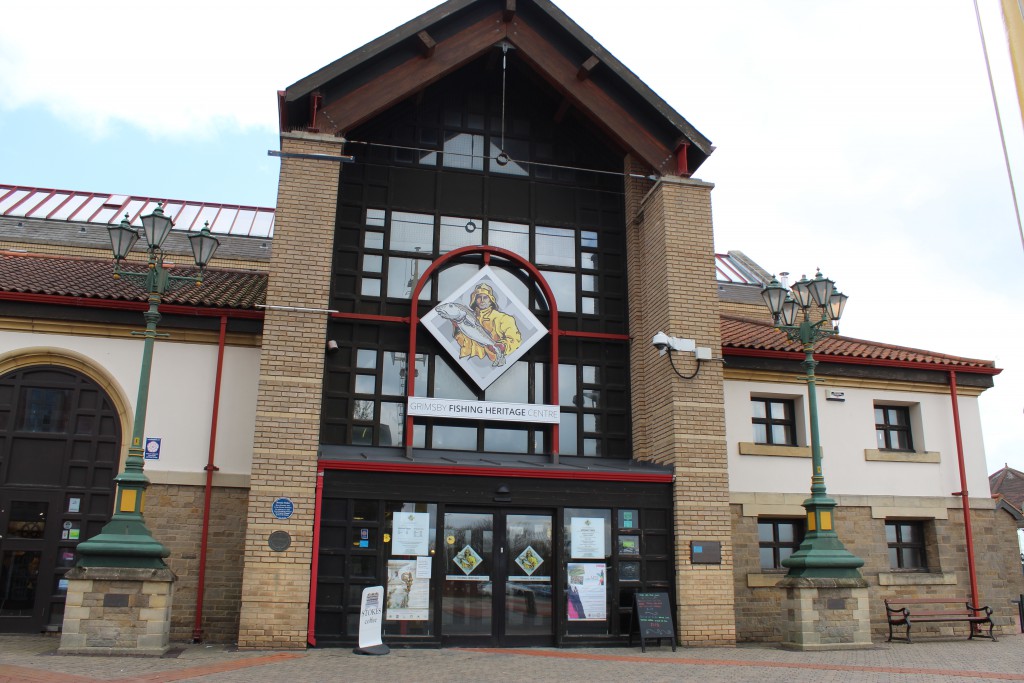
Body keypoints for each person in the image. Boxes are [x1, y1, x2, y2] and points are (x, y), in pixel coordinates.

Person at [455, 283, 522, 363]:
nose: (482, 300)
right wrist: (457, 329)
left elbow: (515, 339)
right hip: (468, 361)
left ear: (491, 300)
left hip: (490, 361)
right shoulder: (466, 317)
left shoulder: (504, 318)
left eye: (485, 297)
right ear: (475, 300)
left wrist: (503, 346)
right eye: (479, 297)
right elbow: (463, 342)